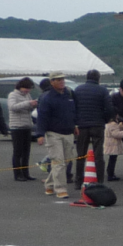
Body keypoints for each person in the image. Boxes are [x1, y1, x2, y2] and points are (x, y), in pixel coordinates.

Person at [35, 71, 78, 199]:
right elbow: (42, 116)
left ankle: (49, 183)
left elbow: (74, 111)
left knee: (66, 161)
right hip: (53, 133)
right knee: (58, 161)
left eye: (62, 79)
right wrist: (40, 134)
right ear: (52, 82)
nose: (61, 81)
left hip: (68, 132)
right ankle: (60, 189)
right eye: (58, 79)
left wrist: (75, 125)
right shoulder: (47, 97)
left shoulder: (69, 94)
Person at [73, 69, 114, 189]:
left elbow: (74, 107)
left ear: (87, 77)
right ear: (98, 78)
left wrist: (76, 122)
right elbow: (109, 108)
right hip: (97, 124)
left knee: (81, 154)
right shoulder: (102, 90)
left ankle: (78, 181)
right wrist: (105, 120)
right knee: (98, 154)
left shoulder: (78, 89)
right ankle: (99, 181)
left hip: (81, 125)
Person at [7, 77, 38, 181]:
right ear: (20, 86)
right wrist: (28, 103)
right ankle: (18, 174)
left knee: (26, 152)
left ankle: (26, 173)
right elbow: (13, 107)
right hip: (16, 127)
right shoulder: (12, 95)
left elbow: (28, 108)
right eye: (26, 88)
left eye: (29, 89)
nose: (27, 90)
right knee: (18, 152)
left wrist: (33, 105)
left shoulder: (27, 95)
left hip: (27, 126)